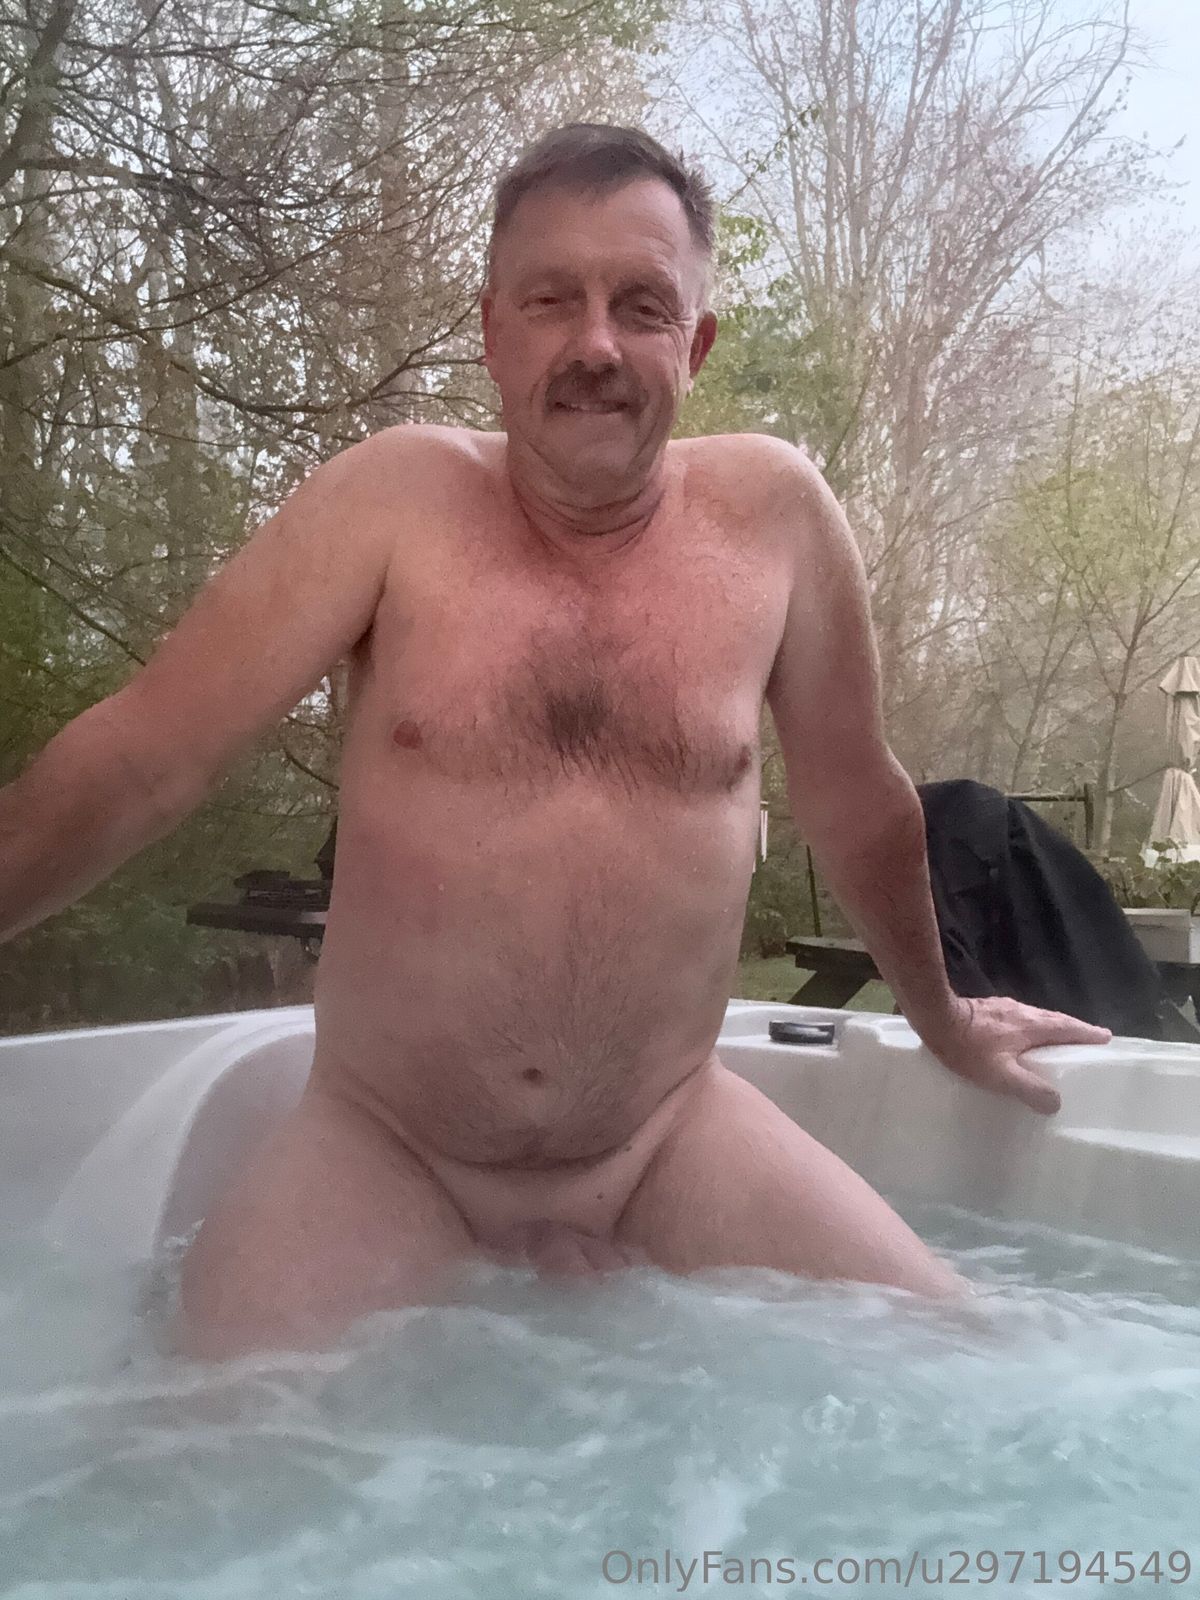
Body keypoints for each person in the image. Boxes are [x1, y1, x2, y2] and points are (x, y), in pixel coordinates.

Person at [0, 124, 1110, 1357]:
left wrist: (941, 1016)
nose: (594, 345)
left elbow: (857, 805)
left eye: (641, 305)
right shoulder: (391, 503)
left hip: (666, 1138)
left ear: (695, 344)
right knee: (203, 1446)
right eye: (551, 301)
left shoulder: (779, 522)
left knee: (987, 1359)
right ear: (492, 333)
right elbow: (146, 760)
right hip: (386, 1146)